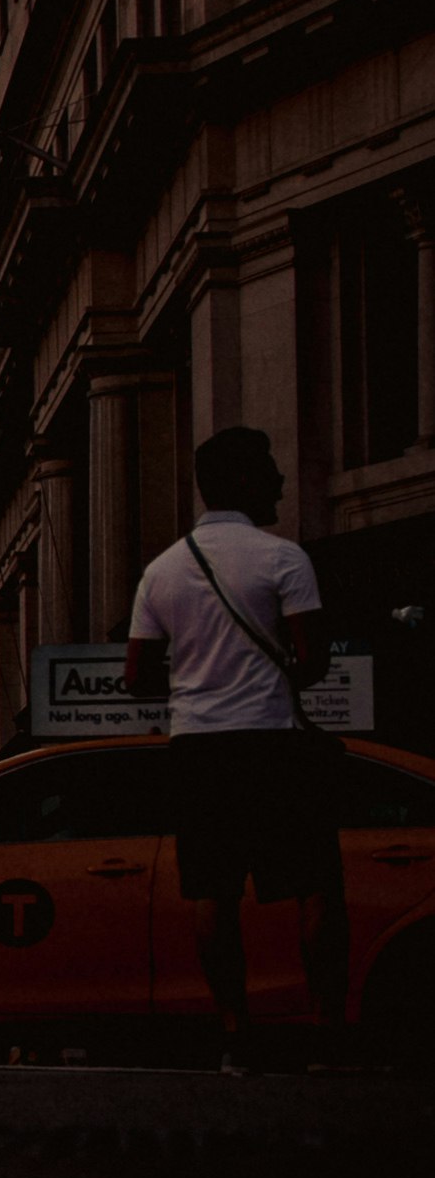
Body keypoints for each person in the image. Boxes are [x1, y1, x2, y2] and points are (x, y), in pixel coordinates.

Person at [123, 426, 342, 1067]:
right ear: (245, 481)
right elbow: (313, 659)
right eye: (270, 471)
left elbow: (136, 676)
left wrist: (199, 680)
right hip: (273, 743)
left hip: (198, 749)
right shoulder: (283, 559)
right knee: (316, 886)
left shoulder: (161, 571)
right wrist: (271, 675)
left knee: (212, 894)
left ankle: (233, 1034)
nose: (279, 481)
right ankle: (326, 1026)